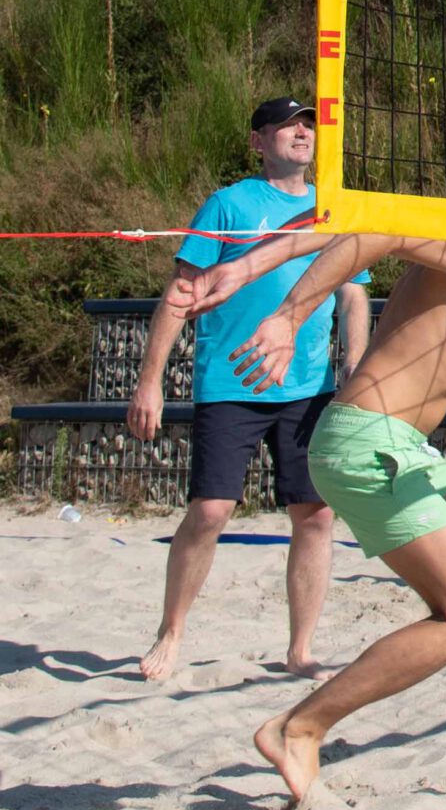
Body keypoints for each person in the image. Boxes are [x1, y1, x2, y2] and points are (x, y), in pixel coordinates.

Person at [186, 110, 446, 809]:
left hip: (400, 444)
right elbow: (373, 231)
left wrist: (249, 263)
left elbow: (340, 214)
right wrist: (286, 314)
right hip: (368, 440)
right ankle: (297, 726)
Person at [126, 97, 371, 682]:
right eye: (288, 125)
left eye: (309, 125)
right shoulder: (229, 204)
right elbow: (181, 293)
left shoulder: (331, 207)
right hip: (229, 383)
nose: (302, 133)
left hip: (305, 387)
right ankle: (173, 628)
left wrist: (354, 369)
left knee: (314, 515)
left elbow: (354, 292)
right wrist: (150, 381)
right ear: (258, 141)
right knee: (210, 511)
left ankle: (300, 650)